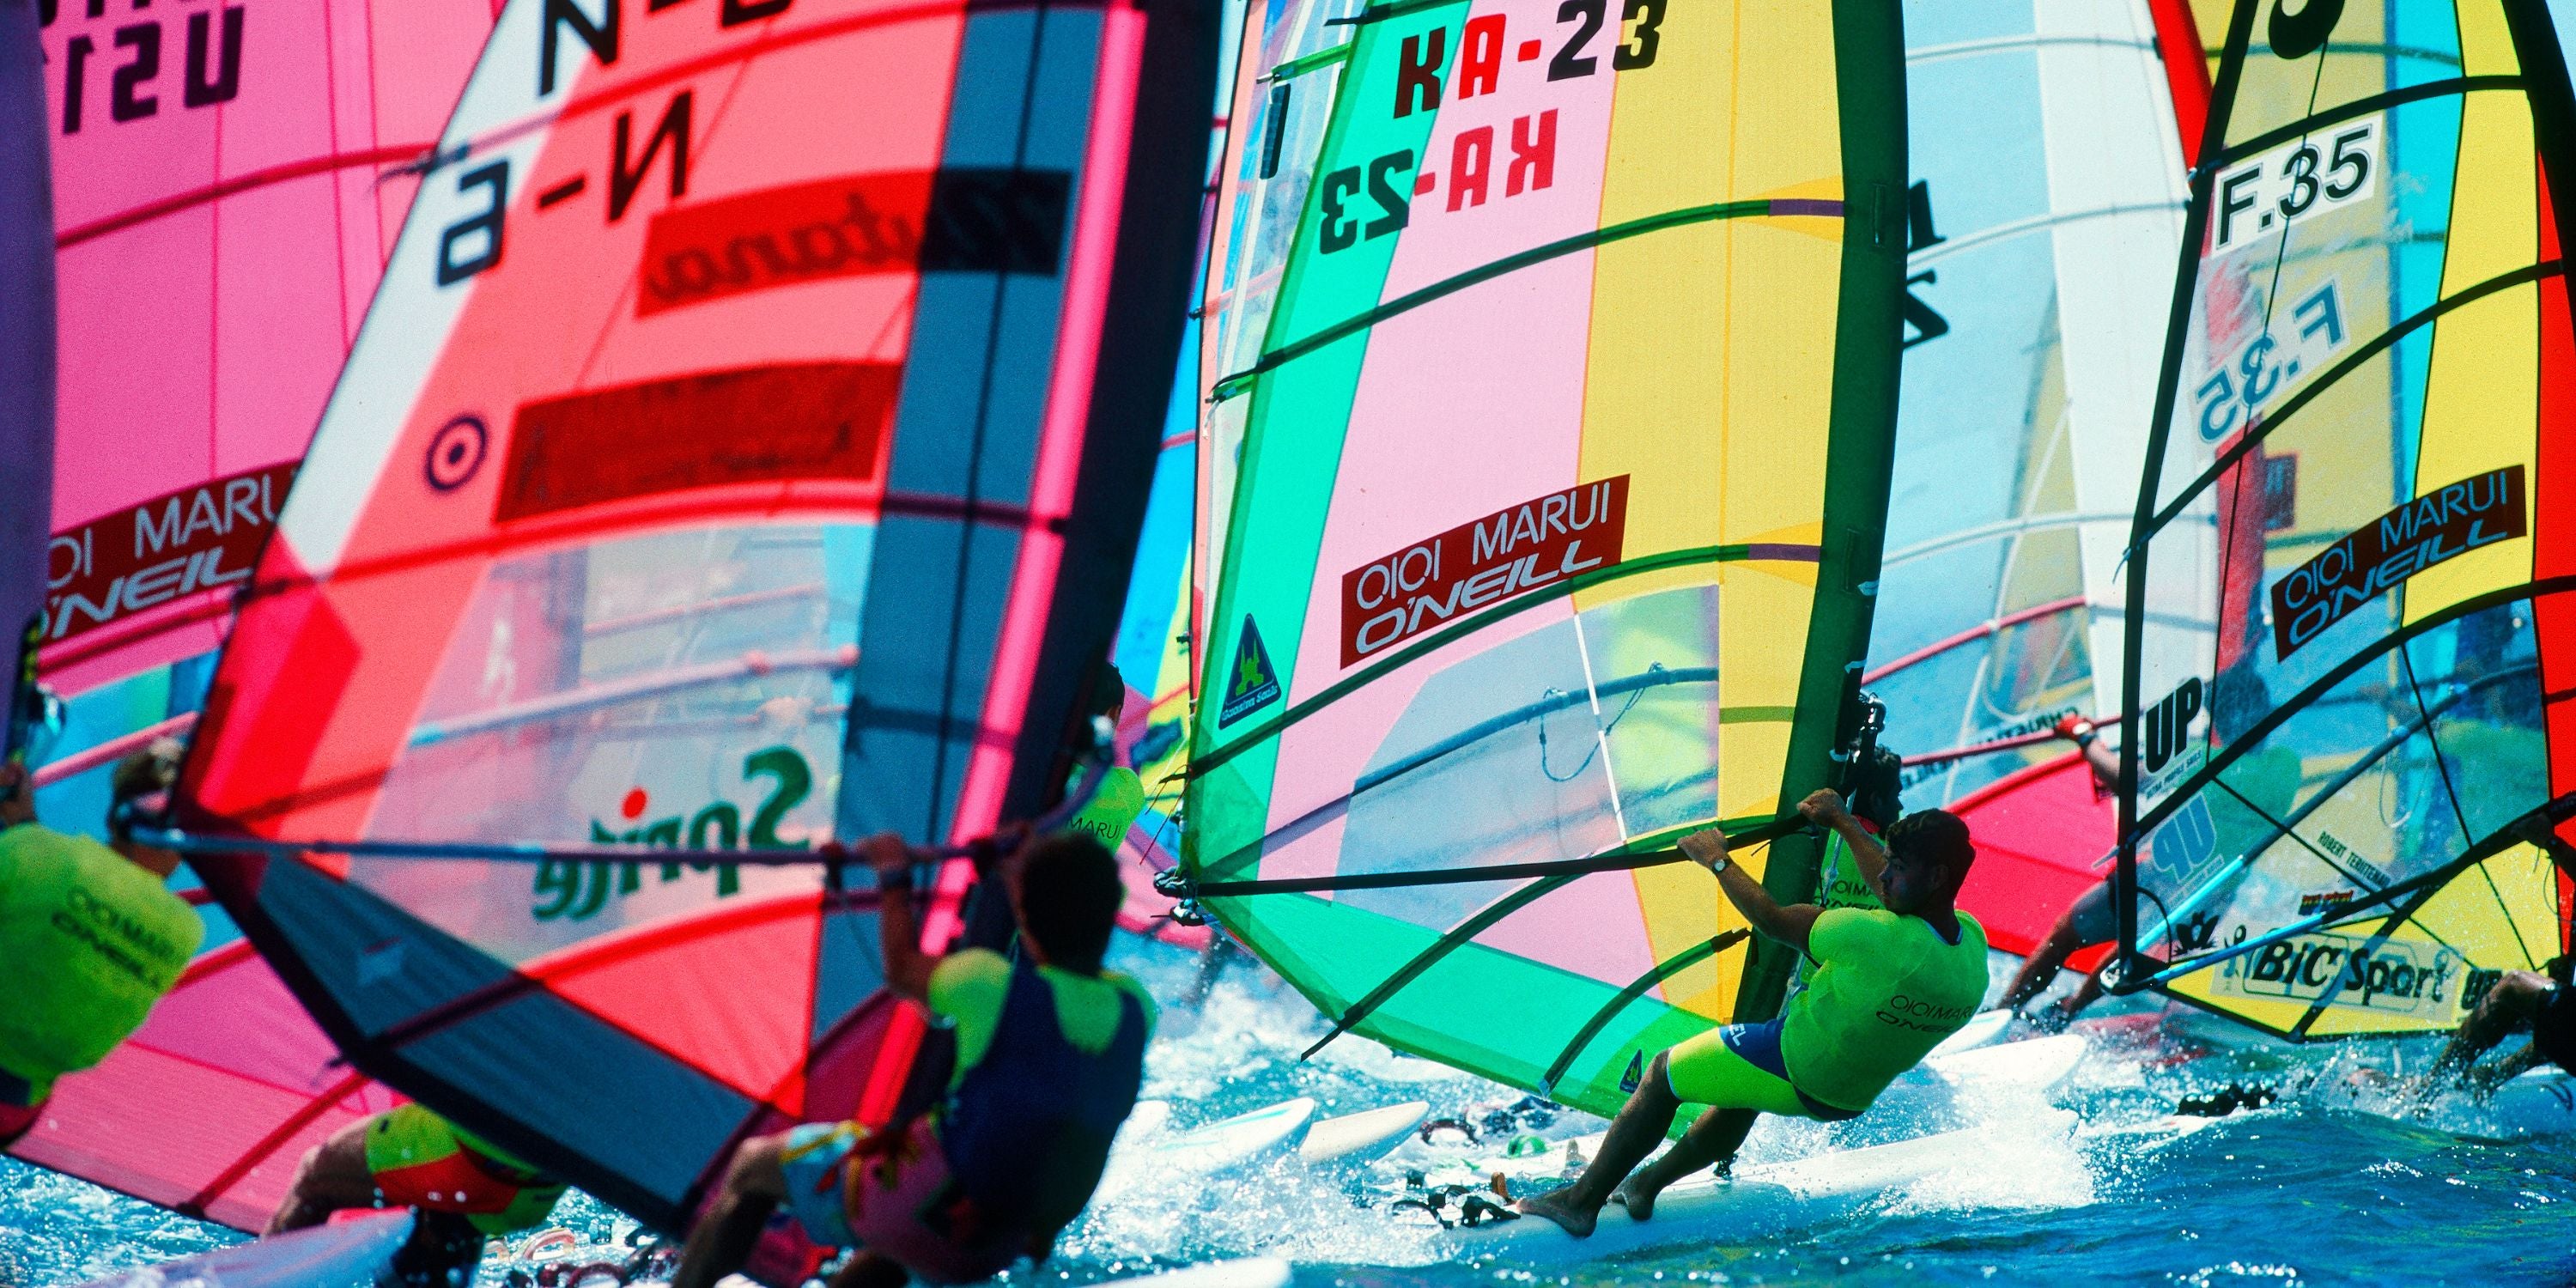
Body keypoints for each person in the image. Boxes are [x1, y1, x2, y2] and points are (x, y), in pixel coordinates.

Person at [671, 830, 1154, 1288]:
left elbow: (902, 970)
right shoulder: (1135, 1009)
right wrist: (1017, 875)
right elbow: (1064, 952)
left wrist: (893, 873)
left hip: (914, 1202)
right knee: (895, 1247)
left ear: (1025, 915)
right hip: (997, 1240)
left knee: (752, 1166)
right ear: (1111, 913)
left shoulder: (988, 986)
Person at [1516, 790, 1988, 1237]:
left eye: (1898, 867)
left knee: (1662, 1074)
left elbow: (1772, 920)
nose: (1883, 877)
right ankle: (1644, 1186)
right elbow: (1896, 896)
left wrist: (1717, 859)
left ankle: (1579, 1203)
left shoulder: (1871, 938)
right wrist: (1843, 823)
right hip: (1850, 1095)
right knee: (1741, 1091)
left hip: (1795, 1062)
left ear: (1937, 877)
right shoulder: (1970, 946)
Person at [0, 740, 204, 1146]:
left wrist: (22, 828)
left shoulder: (35, 853)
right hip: (16, 1111)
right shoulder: (186, 929)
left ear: (118, 815)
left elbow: (58, 885)